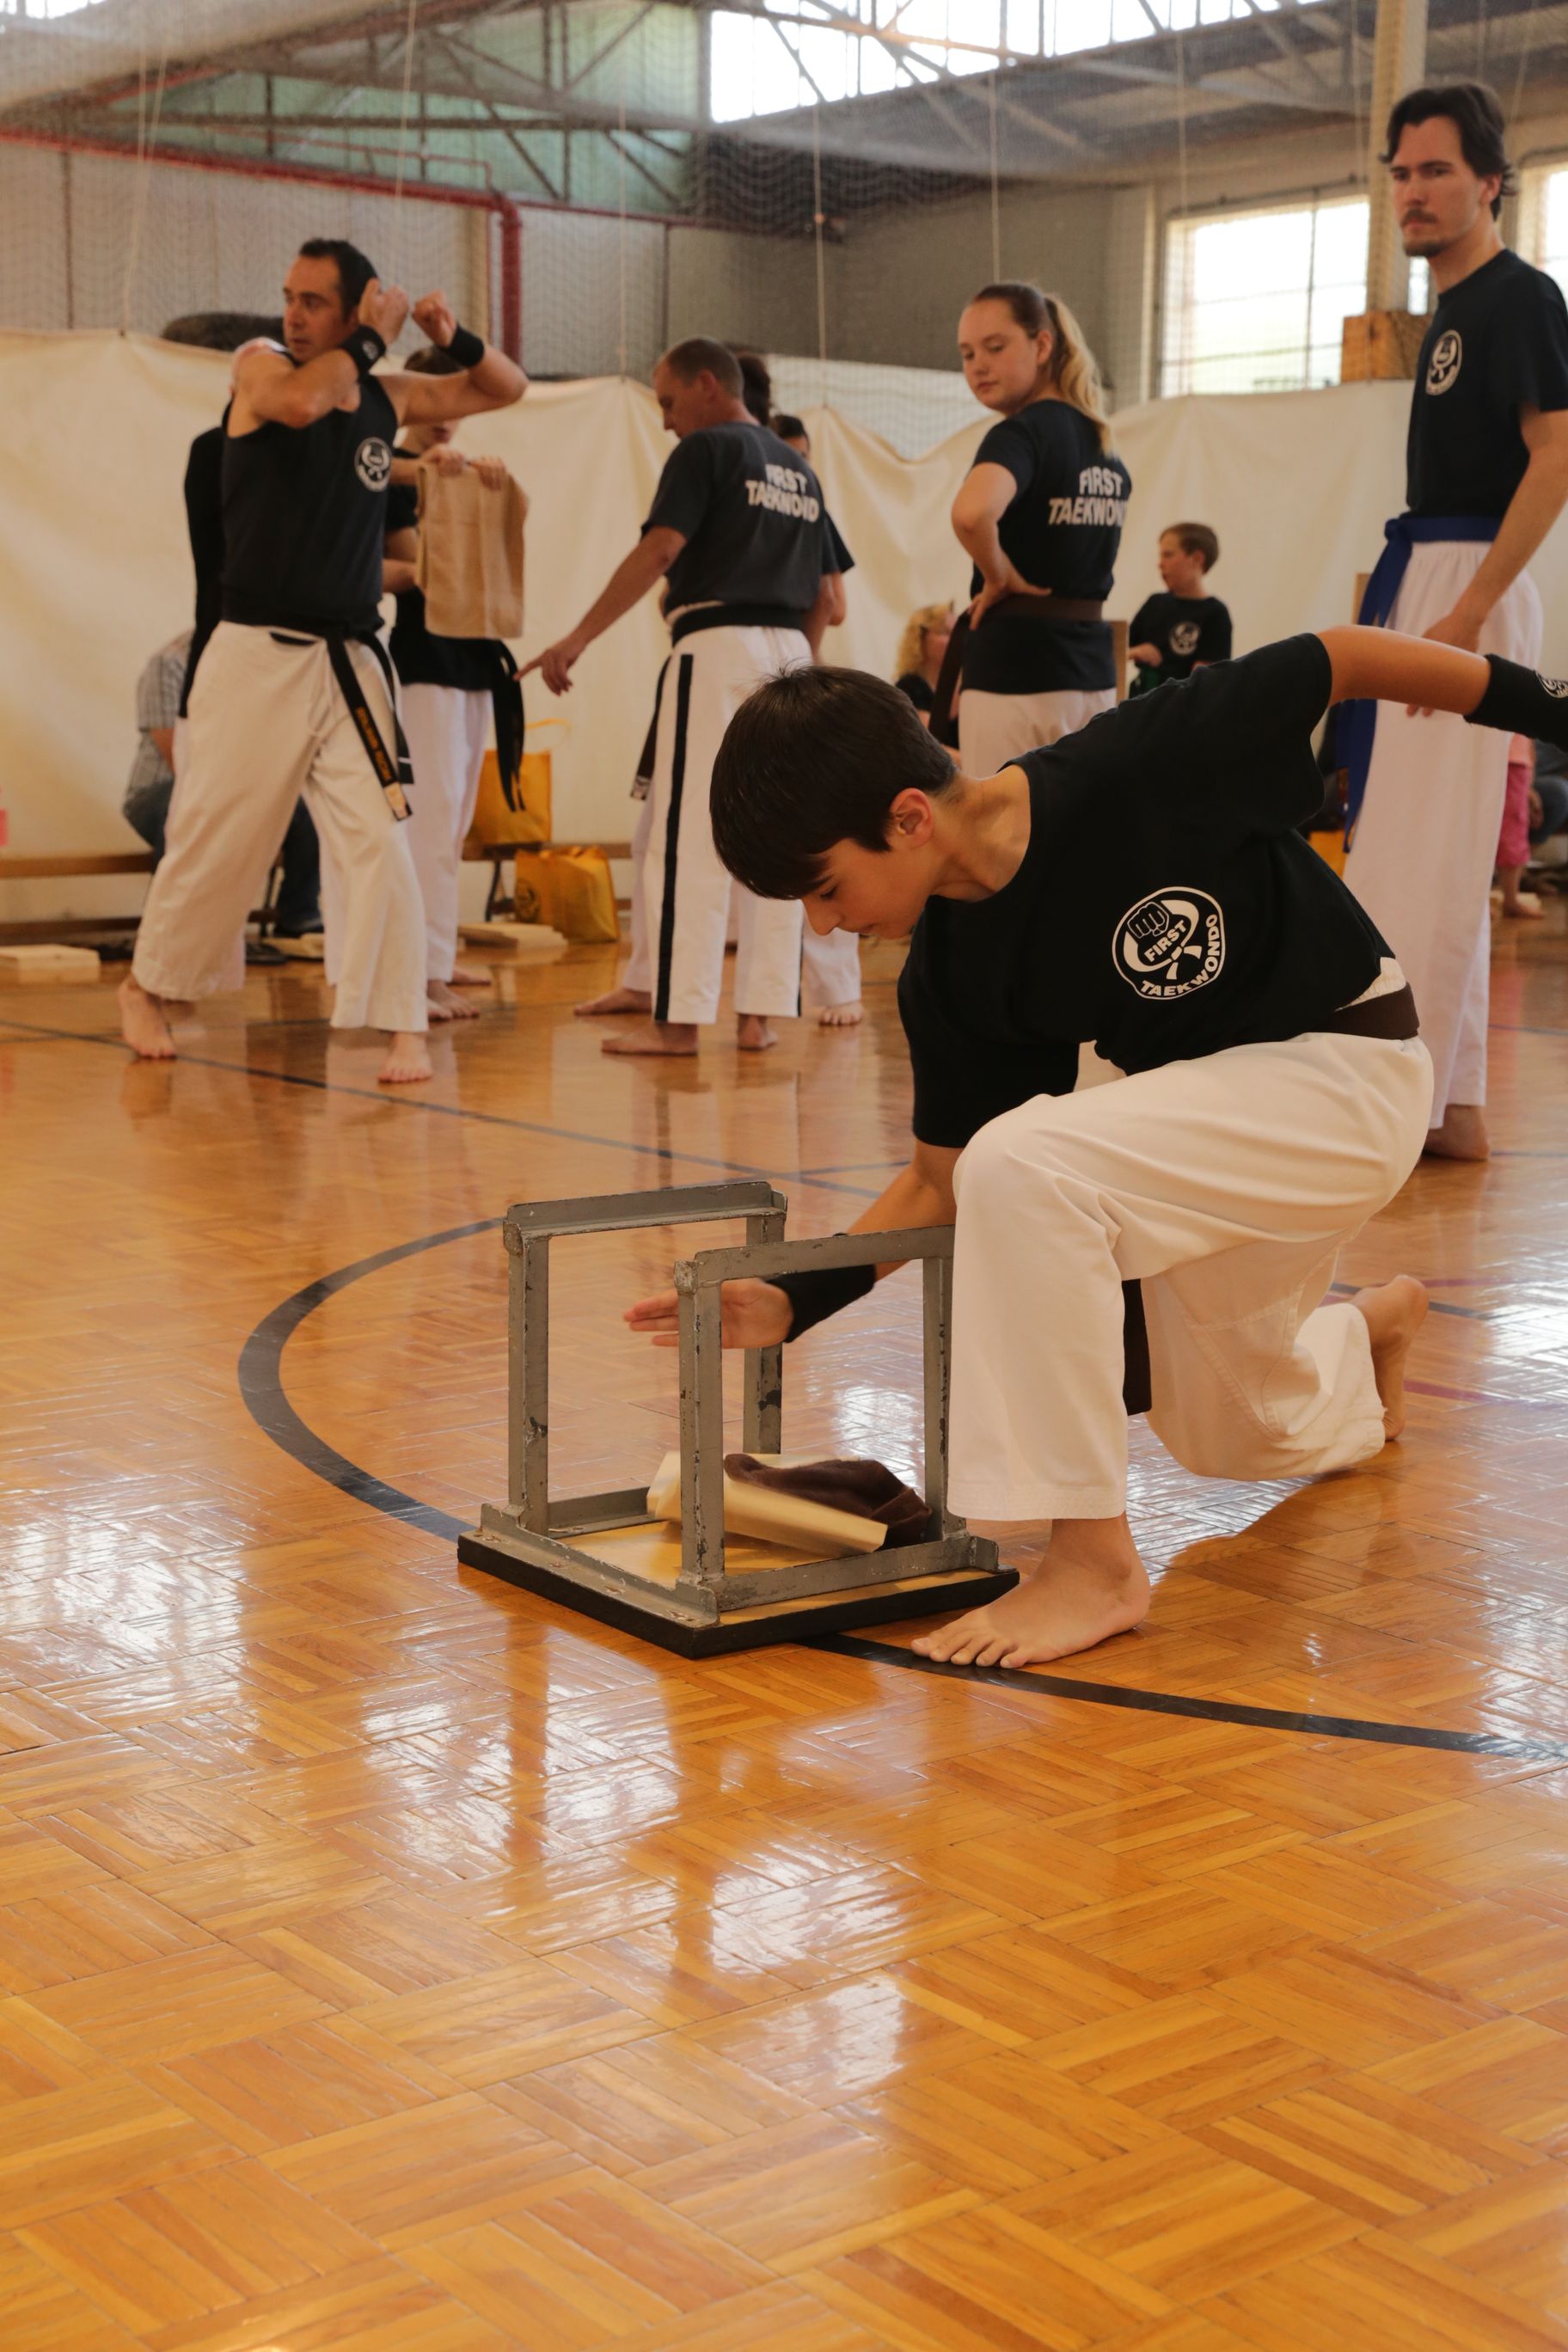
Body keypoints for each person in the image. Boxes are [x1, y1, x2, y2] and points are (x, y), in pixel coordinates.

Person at [627, 626, 1568, 1665]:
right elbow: (939, 1183)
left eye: (826, 890)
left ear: (908, 818)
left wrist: (1551, 707)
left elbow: (1342, 657)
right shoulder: (951, 975)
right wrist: (798, 1294)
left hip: (1350, 1071)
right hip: (1214, 1132)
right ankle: (1373, 1332)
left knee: (1024, 1163)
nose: (821, 924)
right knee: (1226, 1431)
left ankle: (1092, 1565)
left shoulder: (1143, 759)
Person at [118, 240, 526, 1083]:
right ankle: (146, 986)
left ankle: (401, 1021)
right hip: (254, 654)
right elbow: (304, 405)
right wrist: (373, 338)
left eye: (313, 302)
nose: (293, 315)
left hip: (351, 659)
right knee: (216, 839)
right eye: (289, 298)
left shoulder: (387, 395)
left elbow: (505, 389)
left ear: (355, 304)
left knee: (380, 838)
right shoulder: (260, 366)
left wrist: (450, 335)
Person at [1342, 82, 1568, 1163]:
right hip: (1433, 571)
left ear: (1491, 182)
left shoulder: (1521, 298)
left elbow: (1557, 455)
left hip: (1469, 580)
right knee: (1412, 844)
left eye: (1437, 170)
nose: (1414, 192)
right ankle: (1444, 1101)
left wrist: (1471, 610)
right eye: (1401, 174)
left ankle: (1404, 1095)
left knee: (1430, 851)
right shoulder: (1453, 307)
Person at [530, 337, 842, 1057]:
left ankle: (676, 1022)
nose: (666, 420)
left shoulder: (707, 450)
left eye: (669, 402)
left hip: (717, 647)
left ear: (708, 385)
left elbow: (662, 550)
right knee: (775, 829)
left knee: (687, 834)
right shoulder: (799, 468)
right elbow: (827, 598)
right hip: (790, 650)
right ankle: (760, 1015)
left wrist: (577, 637)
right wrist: (799, 671)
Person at [383, 346, 525, 1021]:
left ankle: (438, 952)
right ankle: (422, 972)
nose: (444, 416)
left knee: (457, 822)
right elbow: (422, 571)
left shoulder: (464, 469)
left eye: (455, 400)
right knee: (429, 823)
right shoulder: (387, 472)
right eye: (431, 397)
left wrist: (484, 492)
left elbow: (492, 570)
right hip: (423, 661)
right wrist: (445, 489)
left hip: (473, 660)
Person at [946, 283, 1130, 769]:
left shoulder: (1021, 433)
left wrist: (998, 575)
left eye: (995, 347)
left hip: (1016, 676)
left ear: (1042, 345)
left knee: (1003, 819)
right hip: (1093, 680)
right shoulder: (1103, 443)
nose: (978, 366)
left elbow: (971, 513)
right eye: (967, 354)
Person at [181, 417, 322, 945]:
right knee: (205, 825)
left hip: (303, 663)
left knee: (342, 823)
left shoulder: (320, 449)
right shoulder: (215, 451)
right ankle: (181, 963)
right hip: (234, 655)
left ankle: (299, 917)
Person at [1129, 523, 1232, 694]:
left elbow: (1206, 682)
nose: (1160, 564)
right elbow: (1115, 652)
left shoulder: (1215, 614)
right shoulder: (1154, 603)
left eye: (1168, 555)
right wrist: (1134, 652)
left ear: (1197, 559)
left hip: (1180, 705)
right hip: (1140, 700)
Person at [123, 631, 193, 857]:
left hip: (221, 790)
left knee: (297, 811)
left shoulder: (256, 665)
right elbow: (179, 761)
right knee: (186, 808)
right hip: (159, 790)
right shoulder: (171, 662)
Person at [895, 604, 956, 720]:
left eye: (956, 633)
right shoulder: (908, 687)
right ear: (920, 638)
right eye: (944, 632)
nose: (954, 640)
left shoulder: (959, 684)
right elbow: (931, 730)